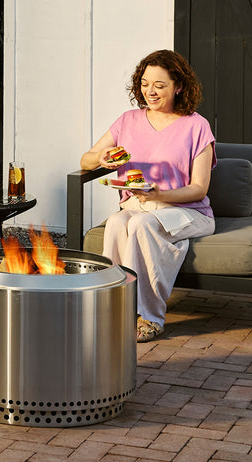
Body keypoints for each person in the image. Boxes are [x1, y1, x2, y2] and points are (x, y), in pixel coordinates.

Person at [80, 49, 215, 343]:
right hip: (137, 206)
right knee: (117, 223)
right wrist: (102, 158)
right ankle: (111, 308)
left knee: (141, 225)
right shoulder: (128, 120)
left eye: (159, 85)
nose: (149, 91)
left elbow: (199, 188)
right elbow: (85, 161)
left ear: (178, 86)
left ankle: (151, 316)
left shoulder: (196, 125)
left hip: (188, 210)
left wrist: (160, 194)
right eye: (144, 83)